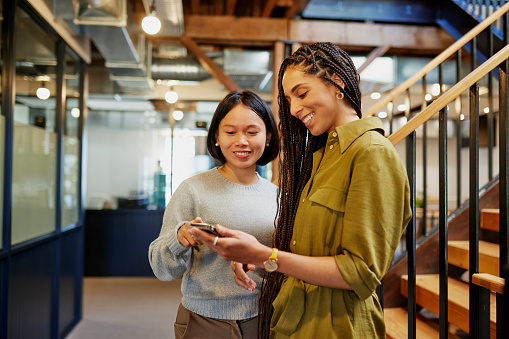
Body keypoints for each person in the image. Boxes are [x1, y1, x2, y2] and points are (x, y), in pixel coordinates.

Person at [190, 42, 412, 339]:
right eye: (289, 99)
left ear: (337, 82)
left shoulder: (371, 153)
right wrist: (258, 258)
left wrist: (265, 254)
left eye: (302, 93)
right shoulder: (322, 157)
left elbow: (361, 272)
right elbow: (311, 253)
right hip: (297, 322)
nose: (293, 109)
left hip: (338, 327)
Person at [148, 90, 280, 338]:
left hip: (266, 319)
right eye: (230, 132)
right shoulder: (192, 189)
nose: (242, 141)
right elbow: (160, 268)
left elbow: (281, 261)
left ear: (268, 136)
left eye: (252, 132)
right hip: (204, 320)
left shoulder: (279, 197)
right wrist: (179, 238)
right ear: (217, 137)